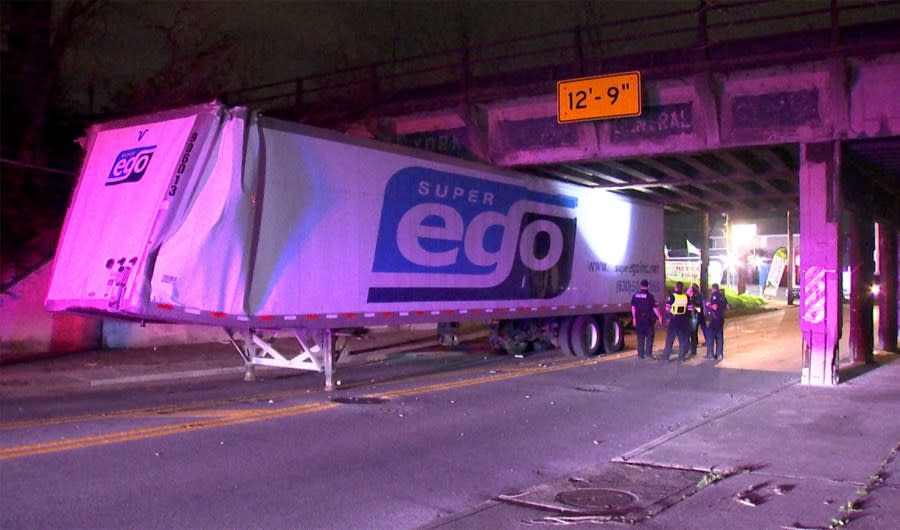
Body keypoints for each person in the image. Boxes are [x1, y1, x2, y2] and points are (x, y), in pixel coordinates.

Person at [631, 279, 663, 359]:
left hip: (639, 319)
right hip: (648, 319)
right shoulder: (650, 297)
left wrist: (634, 317)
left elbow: (633, 307)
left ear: (641, 286)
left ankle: (640, 354)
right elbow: (655, 308)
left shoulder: (635, 295)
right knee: (649, 336)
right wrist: (660, 317)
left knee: (640, 337)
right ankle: (648, 354)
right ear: (648, 286)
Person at [661, 281, 690, 362]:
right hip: (683, 320)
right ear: (682, 288)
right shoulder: (686, 297)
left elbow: (667, 308)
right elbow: (690, 308)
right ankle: (681, 358)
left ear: (675, 287)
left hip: (674, 320)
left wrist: (668, 316)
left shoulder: (672, 296)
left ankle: (666, 358)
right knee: (683, 340)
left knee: (670, 340)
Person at [705, 283, 729, 361]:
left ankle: (710, 354)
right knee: (719, 337)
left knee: (710, 336)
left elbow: (715, 307)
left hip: (715, 319)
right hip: (721, 318)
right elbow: (727, 307)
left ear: (713, 289)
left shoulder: (714, 295)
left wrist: (708, 305)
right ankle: (719, 354)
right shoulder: (723, 296)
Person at [686, 283, 707, 357]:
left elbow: (699, 307)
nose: (689, 289)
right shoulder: (691, 296)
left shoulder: (696, 296)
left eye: (691, 288)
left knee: (693, 332)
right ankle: (692, 346)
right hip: (695, 316)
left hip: (695, 316)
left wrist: (696, 309)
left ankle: (693, 349)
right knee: (695, 331)